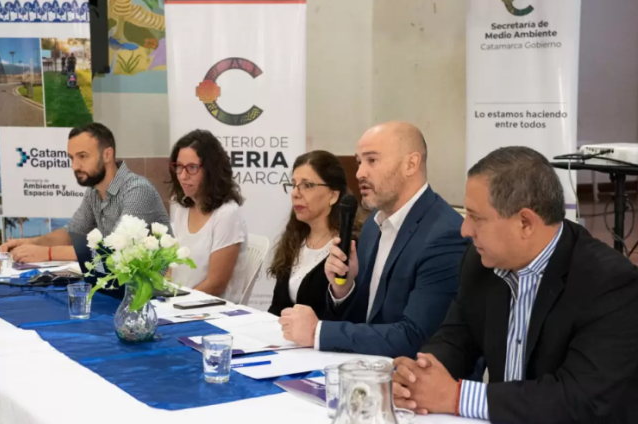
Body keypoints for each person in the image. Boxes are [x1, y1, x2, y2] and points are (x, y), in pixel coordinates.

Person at [392, 146, 638, 424]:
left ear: (525, 223)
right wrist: (420, 375)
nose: (465, 230)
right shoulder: (482, 261)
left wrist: (456, 397)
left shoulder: (610, 283)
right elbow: (456, 337)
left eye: (476, 217)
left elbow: (579, 399)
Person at [279, 121, 467, 358]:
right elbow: (364, 318)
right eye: (359, 162)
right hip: (364, 365)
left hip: (408, 373)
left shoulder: (445, 235)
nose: (359, 173)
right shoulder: (373, 224)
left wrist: (318, 331)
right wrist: (344, 289)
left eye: (372, 160)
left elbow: (416, 337)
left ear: (411, 164)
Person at [0, 123, 170, 263]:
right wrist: (29, 243)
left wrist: (48, 253)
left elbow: (116, 250)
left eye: (82, 156)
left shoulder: (138, 190)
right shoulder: (93, 191)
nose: (74, 166)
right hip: (118, 284)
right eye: (71, 158)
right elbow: (71, 234)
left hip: (155, 289)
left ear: (107, 155)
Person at [268, 150, 359, 319]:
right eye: (294, 185)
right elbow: (277, 307)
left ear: (333, 195)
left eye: (307, 185)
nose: (295, 193)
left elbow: (349, 315)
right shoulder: (295, 238)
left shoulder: (350, 247)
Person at [168, 129, 249, 303]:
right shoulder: (182, 208)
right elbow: (171, 267)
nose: (183, 176)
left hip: (212, 311)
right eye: (179, 166)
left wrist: (178, 302)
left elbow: (215, 285)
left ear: (211, 170)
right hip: (179, 304)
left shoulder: (227, 215)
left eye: (192, 168)